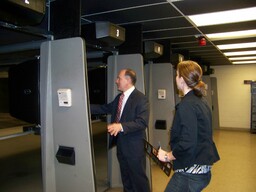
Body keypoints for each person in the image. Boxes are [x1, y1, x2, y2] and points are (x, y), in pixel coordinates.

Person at [157, 60, 220, 192]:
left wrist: (167, 156)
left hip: (190, 173)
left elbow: (187, 143)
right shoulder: (202, 101)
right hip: (202, 168)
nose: (175, 78)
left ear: (182, 79)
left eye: (177, 75)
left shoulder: (187, 105)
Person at [90, 68, 150, 192]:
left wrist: (120, 126)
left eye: (119, 78)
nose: (116, 81)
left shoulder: (141, 99)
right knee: (126, 180)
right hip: (121, 146)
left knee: (139, 181)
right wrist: (83, 104)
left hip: (134, 148)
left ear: (128, 80)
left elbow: (142, 122)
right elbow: (104, 108)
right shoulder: (119, 98)